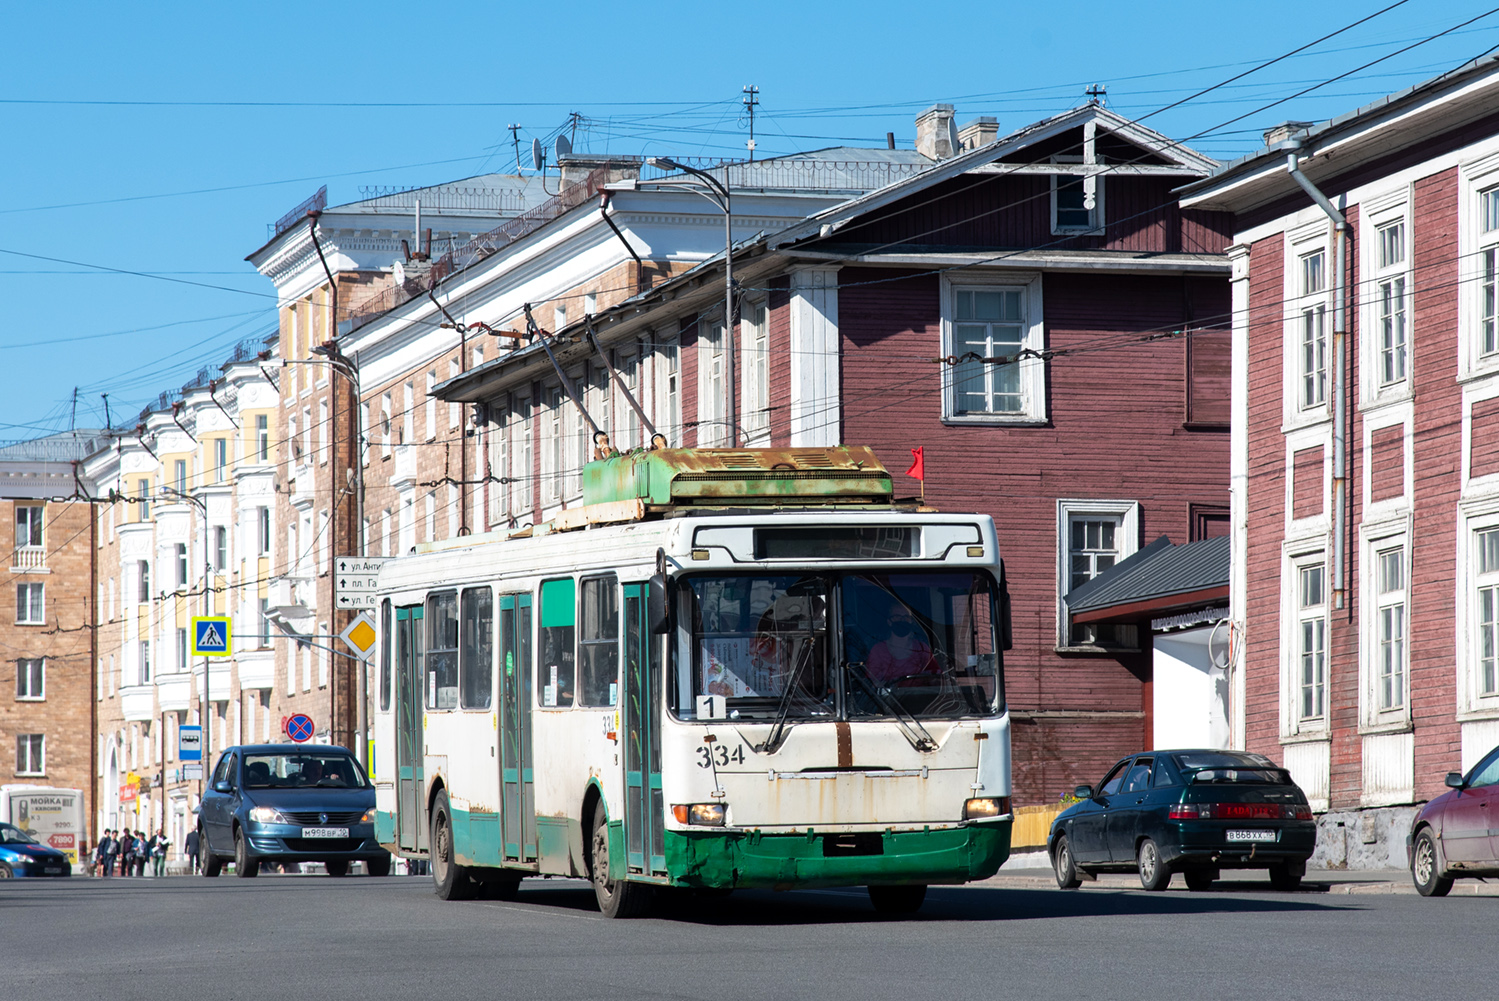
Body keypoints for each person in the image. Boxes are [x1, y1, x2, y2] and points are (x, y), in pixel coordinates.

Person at [865, 604, 940, 686]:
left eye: (906, 617)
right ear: (889, 621)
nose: (902, 620)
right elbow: (871, 683)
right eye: (897, 616)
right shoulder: (878, 650)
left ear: (911, 621)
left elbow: (936, 676)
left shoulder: (922, 649)